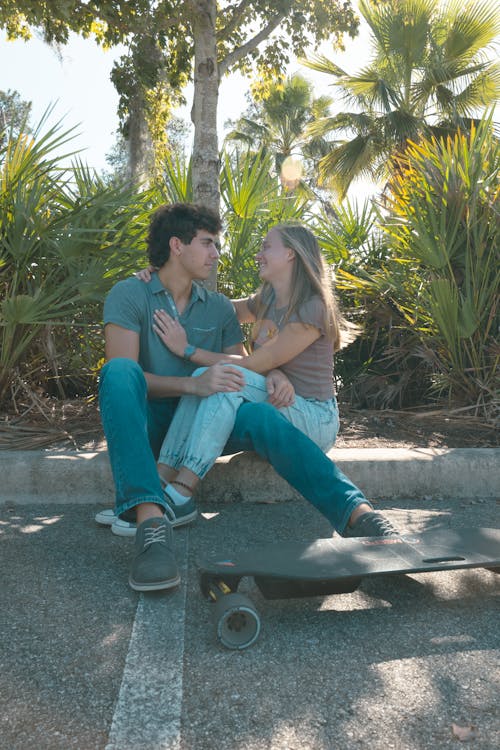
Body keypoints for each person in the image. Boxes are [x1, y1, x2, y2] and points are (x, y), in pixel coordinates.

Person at [98, 202, 397, 593]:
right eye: (208, 243)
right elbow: (127, 383)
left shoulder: (219, 308)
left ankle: (357, 514)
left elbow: (245, 367)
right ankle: (151, 519)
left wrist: (274, 371)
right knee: (119, 372)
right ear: (176, 245)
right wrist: (193, 385)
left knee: (260, 416)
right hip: (153, 422)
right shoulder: (131, 293)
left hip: (207, 422)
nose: (217, 253)